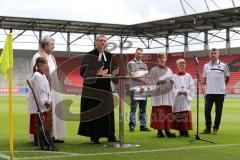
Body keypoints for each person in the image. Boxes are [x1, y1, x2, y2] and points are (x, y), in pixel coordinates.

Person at [78, 34, 119, 144]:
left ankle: (110, 135)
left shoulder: (110, 56)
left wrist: (113, 73)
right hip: (92, 90)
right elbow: (82, 72)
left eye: (104, 41)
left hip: (105, 89)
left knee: (108, 112)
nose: (102, 42)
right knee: (94, 112)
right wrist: (97, 73)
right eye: (100, 40)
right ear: (96, 42)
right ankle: (94, 136)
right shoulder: (89, 55)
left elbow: (116, 72)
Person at [31, 36, 66, 143]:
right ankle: (44, 137)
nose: (54, 47)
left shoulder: (52, 57)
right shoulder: (37, 56)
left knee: (56, 113)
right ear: (45, 45)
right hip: (44, 90)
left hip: (54, 90)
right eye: (52, 44)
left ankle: (54, 135)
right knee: (44, 113)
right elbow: (36, 75)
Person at [202, 48, 230, 135]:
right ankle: (208, 128)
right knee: (206, 111)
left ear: (218, 55)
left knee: (218, 111)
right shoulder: (206, 66)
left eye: (215, 53)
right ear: (209, 55)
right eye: (212, 53)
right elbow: (205, 79)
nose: (213, 54)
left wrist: (223, 86)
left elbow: (227, 78)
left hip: (220, 93)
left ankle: (216, 128)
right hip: (209, 92)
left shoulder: (224, 66)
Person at [148, 53, 176, 138]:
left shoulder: (169, 70)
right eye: (160, 58)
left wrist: (172, 82)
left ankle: (167, 131)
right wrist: (158, 82)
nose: (162, 59)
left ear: (166, 58)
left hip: (167, 94)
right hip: (158, 95)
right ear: (157, 59)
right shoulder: (153, 70)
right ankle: (159, 131)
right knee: (159, 112)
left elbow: (173, 81)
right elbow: (150, 82)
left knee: (167, 112)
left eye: (163, 57)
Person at [28, 57, 52, 145]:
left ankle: (42, 138)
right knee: (38, 122)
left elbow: (47, 90)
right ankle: (38, 139)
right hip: (38, 104)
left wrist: (49, 100)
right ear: (40, 65)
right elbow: (39, 91)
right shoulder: (37, 76)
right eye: (46, 63)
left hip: (43, 104)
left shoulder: (43, 75)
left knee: (42, 122)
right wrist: (45, 101)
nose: (47, 65)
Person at [127, 48, 150, 132]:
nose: (140, 55)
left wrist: (144, 85)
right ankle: (132, 126)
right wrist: (143, 81)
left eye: (141, 54)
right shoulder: (130, 63)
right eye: (138, 53)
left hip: (143, 89)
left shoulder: (144, 65)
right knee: (133, 108)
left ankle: (143, 126)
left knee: (143, 109)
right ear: (135, 53)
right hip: (134, 89)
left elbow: (147, 77)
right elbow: (132, 76)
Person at [172, 59, 195, 137]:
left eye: (183, 64)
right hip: (178, 99)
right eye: (180, 65)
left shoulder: (188, 76)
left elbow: (192, 88)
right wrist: (177, 92)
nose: (182, 66)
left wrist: (186, 92)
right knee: (179, 115)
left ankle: (186, 131)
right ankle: (181, 131)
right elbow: (172, 88)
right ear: (177, 66)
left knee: (185, 114)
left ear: (185, 65)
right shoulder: (174, 77)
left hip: (185, 98)